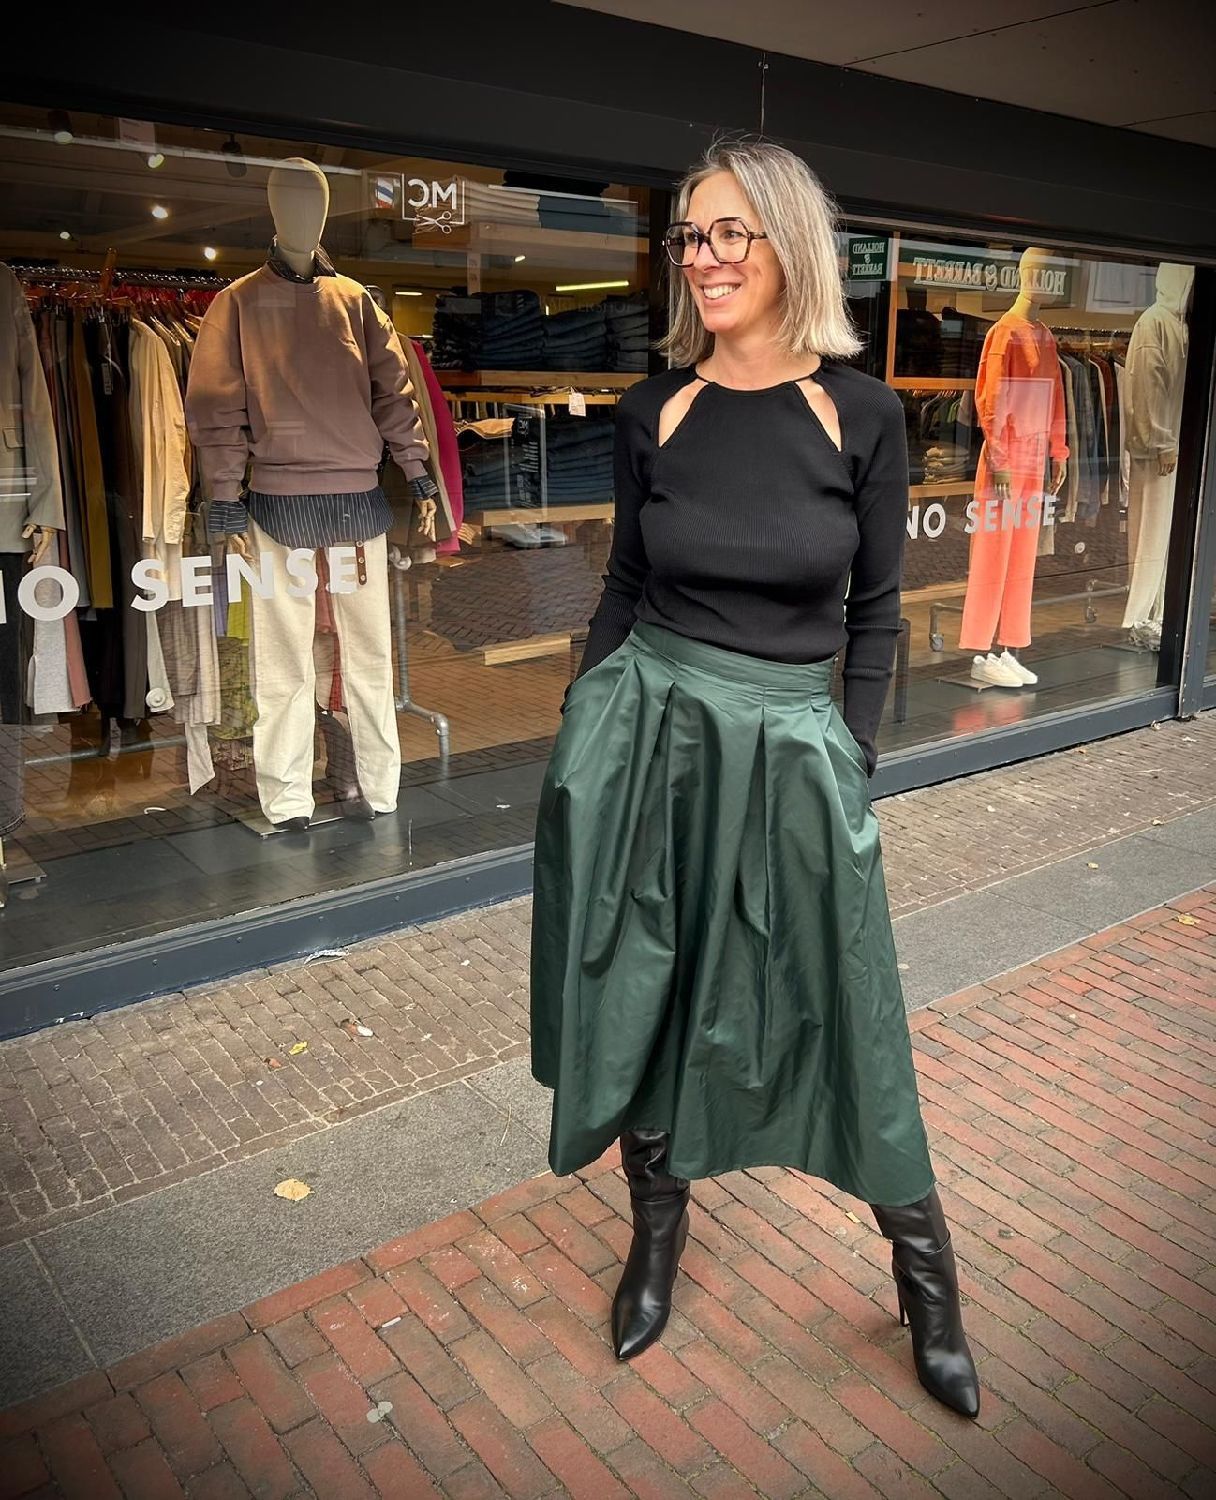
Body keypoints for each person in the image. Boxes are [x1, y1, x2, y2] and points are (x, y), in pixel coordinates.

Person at [530, 139, 980, 1419]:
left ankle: (928, 1284)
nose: (705, 257)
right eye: (691, 235)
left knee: (846, 1003)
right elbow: (624, 584)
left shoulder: (861, 413)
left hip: (789, 742)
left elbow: (876, 611)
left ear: (789, 244)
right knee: (646, 992)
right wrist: (583, 724)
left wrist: (851, 749)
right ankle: (654, 1242)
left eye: (731, 232)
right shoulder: (654, 410)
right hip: (650, 734)